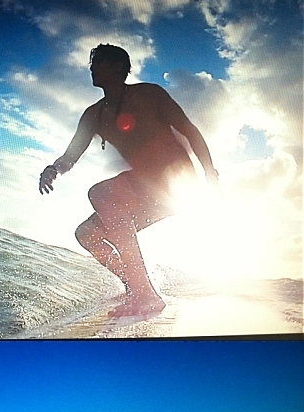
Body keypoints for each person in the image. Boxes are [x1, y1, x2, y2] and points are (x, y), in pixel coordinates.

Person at [39, 44, 219, 320]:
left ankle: (145, 294)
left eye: (99, 62)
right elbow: (70, 157)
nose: (92, 67)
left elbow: (189, 130)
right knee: (86, 234)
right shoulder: (94, 115)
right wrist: (53, 169)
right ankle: (135, 287)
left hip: (175, 183)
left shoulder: (149, 94)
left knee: (101, 193)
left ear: (118, 67)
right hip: (143, 190)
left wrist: (210, 174)